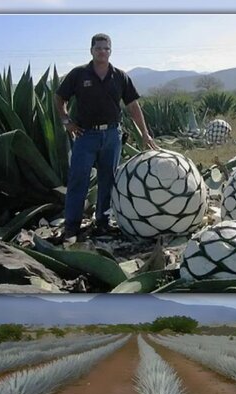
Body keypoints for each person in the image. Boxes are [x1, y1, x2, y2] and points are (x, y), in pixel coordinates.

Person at [54, 32, 159, 242]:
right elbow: (59, 97)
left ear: (110, 51)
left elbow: (133, 106)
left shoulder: (120, 76)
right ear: (91, 50)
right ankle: (72, 227)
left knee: (108, 180)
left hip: (112, 135)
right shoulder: (78, 74)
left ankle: (103, 223)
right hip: (85, 135)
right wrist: (66, 121)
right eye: (98, 48)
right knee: (78, 180)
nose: (102, 52)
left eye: (106, 48)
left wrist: (145, 133)